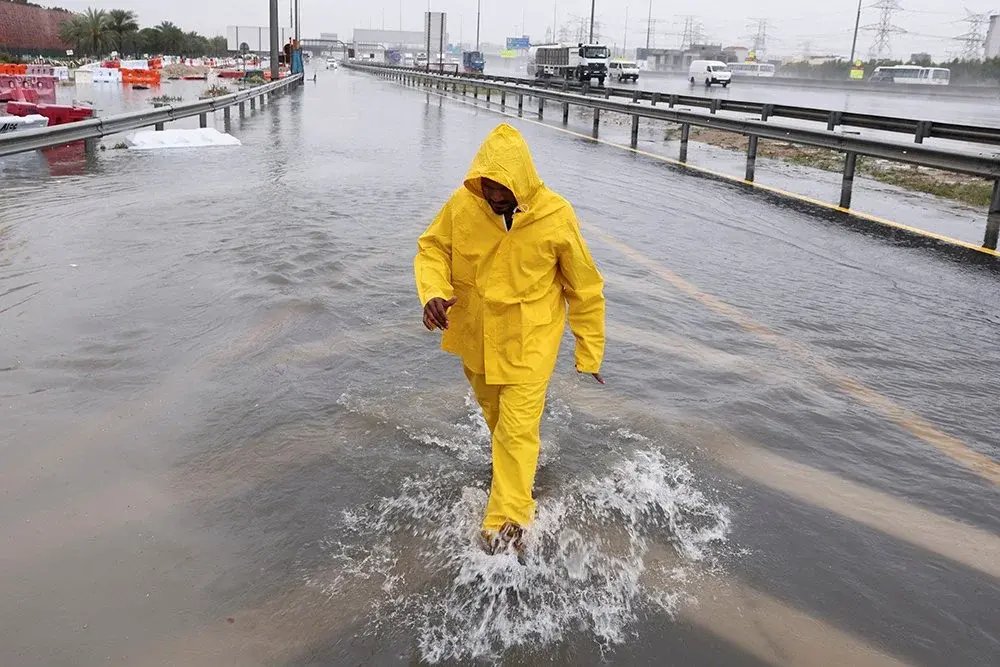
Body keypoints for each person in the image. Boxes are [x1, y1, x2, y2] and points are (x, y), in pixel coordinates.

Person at [414, 123, 606, 558]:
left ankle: (507, 524)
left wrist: (589, 350)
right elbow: (431, 250)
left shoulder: (556, 216)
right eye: (488, 187)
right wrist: (432, 293)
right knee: (499, 421)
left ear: (522, 180)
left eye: (503, 188)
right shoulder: (464, 205)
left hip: (530, 343)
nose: (495, 196)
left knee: (517, 430)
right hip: (476, 339)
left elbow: (585, 288)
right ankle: (512, 482)